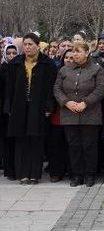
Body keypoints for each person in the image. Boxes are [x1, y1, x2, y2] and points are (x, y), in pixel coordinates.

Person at [3, 33, 57, 184]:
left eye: (30, 44)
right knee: (21, 139)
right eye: (25, 44)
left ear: (37, 46)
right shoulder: (16, 63)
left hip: (38, 106)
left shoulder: (47, 64)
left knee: (36, 139)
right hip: (19, 106)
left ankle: (34, 174)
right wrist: (9, 107)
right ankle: (23, 173)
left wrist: (49, 106)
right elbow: (10, 88)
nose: (27, 47)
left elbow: (51, 87)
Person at [54, 41, 104, 187]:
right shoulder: (64, 70)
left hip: (90, 113)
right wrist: (66, 102)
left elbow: (100, 89)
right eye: (73, 51)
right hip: (69, 114)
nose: (74, 54)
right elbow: (57, 89)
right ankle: (76, 175)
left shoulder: (97, 69)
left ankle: (90, 174)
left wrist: (85, 102)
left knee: (89, 145)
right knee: (74, 145)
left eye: (78, 51)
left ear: (87, 53)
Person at [47, 49, 73, 182]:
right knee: (56, 145)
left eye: (71, 58)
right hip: (58, 113)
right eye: (66, 58)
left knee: (71, 145)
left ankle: (70, 170)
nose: (69, 60)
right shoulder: (56, 72)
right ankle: (56, 171)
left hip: (74, 113)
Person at [1, 43, 20, 180]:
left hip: (17, 109)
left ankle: (18, 168)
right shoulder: (2, 68)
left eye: (14, 53)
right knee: (6, 141)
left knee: (17, 140)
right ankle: (9, 169)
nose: (11, 56)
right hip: (3, 112)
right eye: (9, 53)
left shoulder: (20, 68)